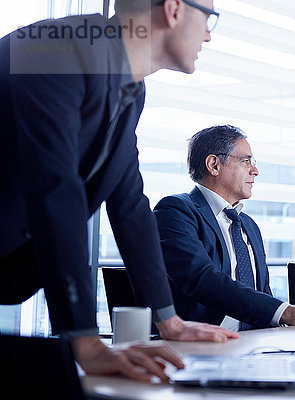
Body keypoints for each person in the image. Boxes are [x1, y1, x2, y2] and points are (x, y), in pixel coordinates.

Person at [0, 0, 239, 383]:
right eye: (209, 18)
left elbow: (129, 204)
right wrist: (85, 340)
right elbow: (56, 191)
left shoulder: (129, 90)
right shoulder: (53, 47)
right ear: (174, 9)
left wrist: (170, 320)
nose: (209, 33)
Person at [154, 125, 295, 331]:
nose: (255, 170)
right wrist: (286, 312)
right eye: (246, 161)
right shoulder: (176, 211)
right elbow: (201, 278)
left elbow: (263, 294)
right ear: (214, 165)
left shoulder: (248, 225)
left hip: (255, 342)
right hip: (200, 345)